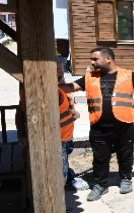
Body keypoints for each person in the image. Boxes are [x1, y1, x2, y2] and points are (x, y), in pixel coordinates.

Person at [60, 47, 134, 201]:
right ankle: (100, 185)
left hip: (124, 125)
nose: (91, 62)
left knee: (125, 155)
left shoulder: (128, 75)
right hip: (99, 127)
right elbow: (70, 87)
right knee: (100, 158)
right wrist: (55, 83)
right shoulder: (89, 77)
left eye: (95, 59)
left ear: (108, 59)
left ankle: (126, 179)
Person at [16, 59, 88, 191]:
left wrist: (72, 111)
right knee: (58, 170)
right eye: (58, 68)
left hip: (65, 135)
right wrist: (21, 133)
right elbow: (25, 115)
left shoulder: (57, 85)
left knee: (63, 161)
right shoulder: (44, 90)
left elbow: (67, 100)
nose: (61, 70)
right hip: (56, 138)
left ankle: (65, 180)